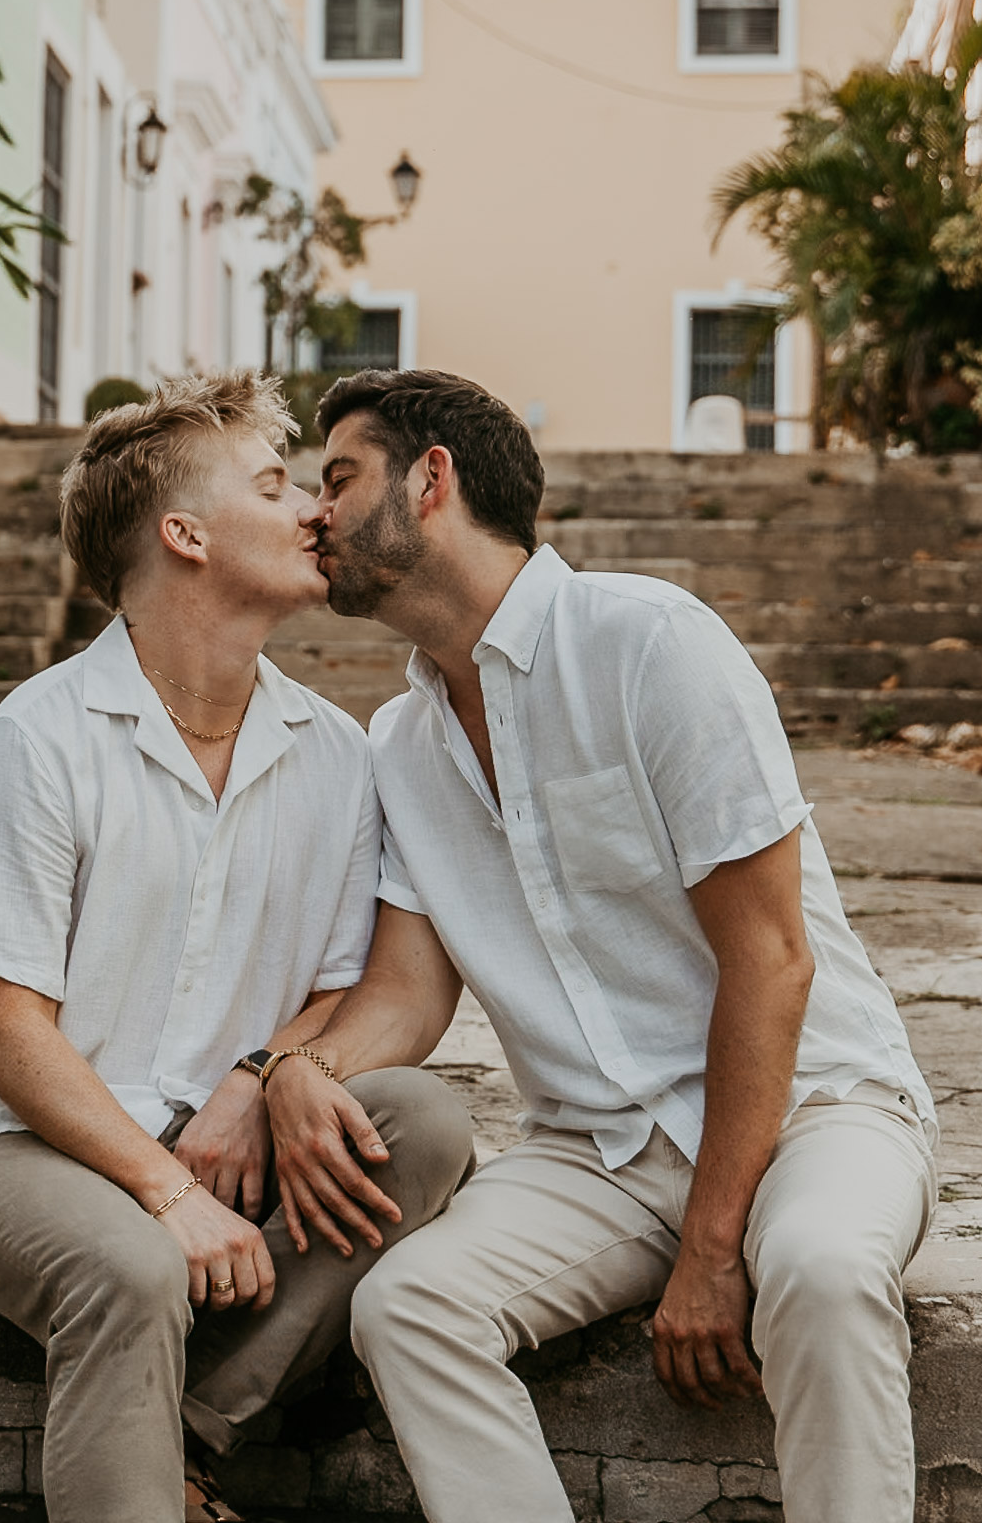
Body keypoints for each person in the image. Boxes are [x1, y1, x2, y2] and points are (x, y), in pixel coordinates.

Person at [260, 367, 939, 1523]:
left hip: (810, 1108)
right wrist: (293, 1070)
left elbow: (771, 962)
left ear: (432, 482)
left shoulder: (650, 644)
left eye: (339, 478)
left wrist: (715, 1248)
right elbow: (409, 994)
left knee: (820, 1275)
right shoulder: (403, 743)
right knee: (407, 1306)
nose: (312, 514)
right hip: (601, 1152)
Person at [0, 371, 473, 1523]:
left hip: (223, 1135)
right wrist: (165, 1189)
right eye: (275, 486)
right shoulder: (43, 736)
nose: (317, 510)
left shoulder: (335, 752)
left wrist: (257, 1080)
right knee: (132, 1267)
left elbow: (342, 993)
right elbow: (7, 1033)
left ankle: (179, 1437)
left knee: (421, 1127)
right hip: (15, 1143)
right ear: (185, 534)